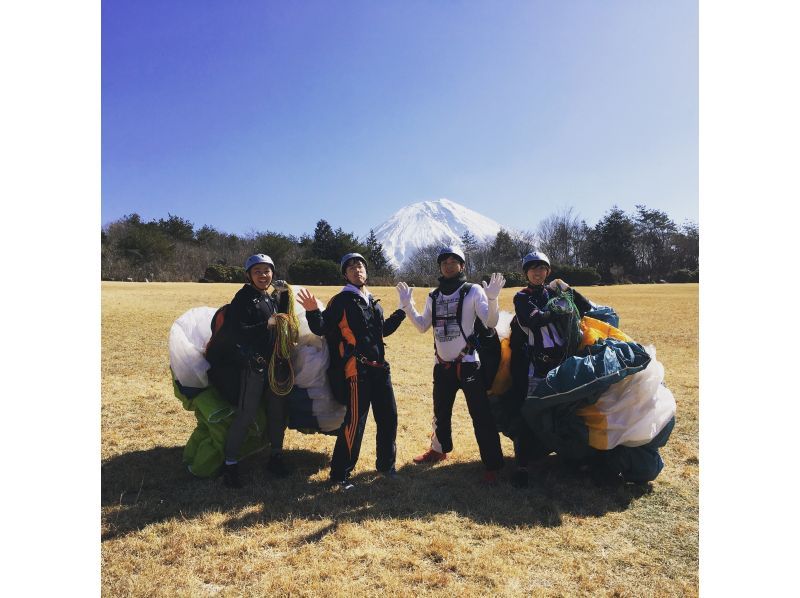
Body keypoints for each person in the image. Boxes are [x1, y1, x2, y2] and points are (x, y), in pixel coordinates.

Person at [510, 251, 674, 487]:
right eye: (533, 268)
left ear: (548, 272)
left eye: (542, 268)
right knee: (532, 411)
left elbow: (586, 308)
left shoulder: (555, 292)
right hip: (539, 367)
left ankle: (574, 455)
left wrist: (569, 291)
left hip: (565, 363)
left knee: (569, 413)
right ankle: (523, 465)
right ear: (526, 272)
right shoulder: (522, 297)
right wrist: (554, 310)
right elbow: (531, 319)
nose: (537, 272)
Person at [396, 246, 506, 484]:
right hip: (442, 365)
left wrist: (493, 299)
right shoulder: (434, 296)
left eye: (453, 261)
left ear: (462, 266)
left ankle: (493, 464)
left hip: (468, 364)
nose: (448, 265)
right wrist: (408, 306)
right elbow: (423, 325)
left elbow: (490, 322)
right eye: (444, 262)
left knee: (481, 415)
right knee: (440, 412)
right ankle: (439, 449)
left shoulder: (473, 291)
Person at [297, 252, 406, 490]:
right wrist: (312, 310)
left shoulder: (371, 301)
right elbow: (322, 327)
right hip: (357, 372)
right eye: (351, 268)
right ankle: (340, 474)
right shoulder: (342, 301)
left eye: (360, 266)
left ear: (366, 271)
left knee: (389, 418)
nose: (357, 270)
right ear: (345, 275)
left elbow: (381, 331)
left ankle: (386, 466)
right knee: (355, 423)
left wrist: (402, 311)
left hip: (380, 370)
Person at [205, 254, 292, 488]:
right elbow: (237, 331)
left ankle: (276, 456)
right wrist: (266, 325)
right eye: (258, 272)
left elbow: (281, 320)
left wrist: (283, 298)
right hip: (253, 366)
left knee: (277, 412)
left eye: (267, 271)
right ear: (249, 276)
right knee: (246, 413)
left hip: (275, 365)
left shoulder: (270, 297)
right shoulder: (243, 298)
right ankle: (230, 464)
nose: (263, 275)